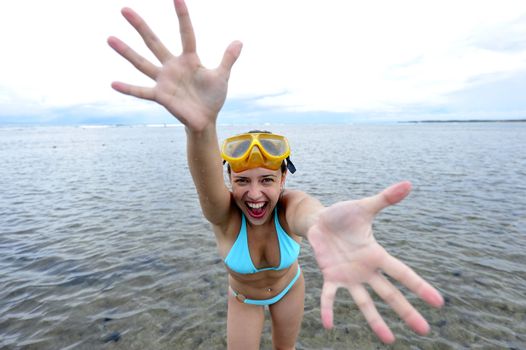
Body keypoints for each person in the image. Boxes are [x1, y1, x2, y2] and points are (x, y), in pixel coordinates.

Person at [107, 0, 444, 348]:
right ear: (230, 182)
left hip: (289, 289)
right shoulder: (224, 217)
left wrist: (324, 223)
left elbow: (309, 215)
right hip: (243, 300)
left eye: (267, 180)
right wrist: (202, 128)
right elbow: (204, 177)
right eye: (242, 180)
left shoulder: (288, 206)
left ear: (284, 180)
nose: (254, 194)